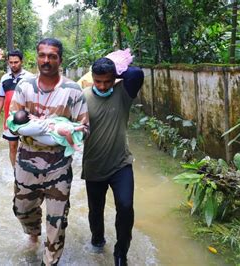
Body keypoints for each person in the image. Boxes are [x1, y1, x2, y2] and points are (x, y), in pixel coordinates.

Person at [9, 38, 89, 265]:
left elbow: (85, 129)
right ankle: (33, 233)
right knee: (22, 209)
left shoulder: (73, 91)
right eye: (42, 55)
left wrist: (65, 130)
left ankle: (50, 260)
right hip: (27, 162)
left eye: (52, 56)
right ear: (36, 58)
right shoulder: (24, 87)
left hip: (58, 165)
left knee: (57, 221)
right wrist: (37, 127)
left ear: (60, 59)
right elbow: (13, 121)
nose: (46, 60)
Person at [80, 49, 144, 266]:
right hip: (94, 166)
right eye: (98, 81)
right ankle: (98, 241)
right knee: (95, 212)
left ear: (114, 79)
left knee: (125, 208)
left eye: (107, 81)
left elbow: (136, 74)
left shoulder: (123, 93)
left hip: (120, 164)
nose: (102, 86)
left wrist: (118, 70)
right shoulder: (83, 98)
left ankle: (120, 254)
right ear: (92, 79)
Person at [0, 50, 32, 168]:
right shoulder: (4, 79)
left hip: (27, 118)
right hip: (10, 119)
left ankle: (28, 171)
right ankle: (16, 173)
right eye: (11, 62)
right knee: (12, 146)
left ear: (21, 62)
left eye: (16, 62)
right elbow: (0, 99)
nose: (13, 65)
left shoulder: (29, 78)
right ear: (8, 63)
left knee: (28, 146)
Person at [7, 110, 85, 157]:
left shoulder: (28, 125)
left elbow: (41, 124)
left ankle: (74, 134)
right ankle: (73, 139)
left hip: (51, 130)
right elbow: (41, 126)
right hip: (52, 133)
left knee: (65, 129)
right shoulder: (26, 128)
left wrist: (39, 119)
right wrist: (40, 120)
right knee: (65, 130)